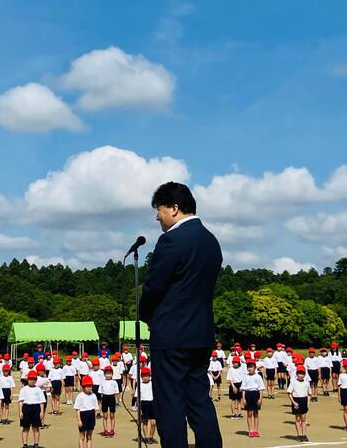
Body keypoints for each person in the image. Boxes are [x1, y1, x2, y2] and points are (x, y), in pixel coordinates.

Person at [139, 181, 224, 448]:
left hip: (172, 335)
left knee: (170, 404)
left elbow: (154, 287)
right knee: (199, 400)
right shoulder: (211, 240)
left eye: (160, 209)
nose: (157, 216)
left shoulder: (172, 240)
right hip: (201, 334)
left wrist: (145, 315)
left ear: (174, 208)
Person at [18, 370, 45, 448]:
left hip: (36, 408)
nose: (32, 381)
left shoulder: (38, 389)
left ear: (36, 380)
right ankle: (25, 444)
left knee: (36, 427)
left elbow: (42, 402)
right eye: (30, 379)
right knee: (25, 427)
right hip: (26, 408)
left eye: (34, 379)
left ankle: (36, 444)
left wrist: (42, 412)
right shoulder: (24, 389)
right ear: (27, 380)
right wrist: (20, 412)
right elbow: (20, 401)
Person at [240, 359, 264, 438]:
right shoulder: (245, 377)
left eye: (251, 367)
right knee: (249, 413)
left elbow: (260, 389)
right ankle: (250, 430)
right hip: (248, 394)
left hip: (256, 394)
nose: (250, 368)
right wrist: (244, 398)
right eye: (248, 367)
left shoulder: (258, 376)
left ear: (255, 367)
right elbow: (243, 389)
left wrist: (260, 398)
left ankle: (256, 430)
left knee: (256, 413)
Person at [287, 365, 311, 442]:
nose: (301, 375)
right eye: (299, 373)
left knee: (303, 419)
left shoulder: (306, 383)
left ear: (304, 374)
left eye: (302, 373)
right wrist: (293, 402)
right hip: (296, 400)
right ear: (297, 374)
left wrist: (307, 402)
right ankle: (299, 434)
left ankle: (304, 434)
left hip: (304, 400)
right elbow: (289, 392)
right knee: (297, 419)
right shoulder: (293, 382)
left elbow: (309, 394)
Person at [75, 375, 98, 448]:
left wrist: (94, 419)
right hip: (83, 415)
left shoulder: (93, 395)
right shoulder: (80, 396)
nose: (89, 388)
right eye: (87, 386)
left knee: (89, 436)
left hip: (91, 415)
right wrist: (79, 420)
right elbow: (77, 409)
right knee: (82, 436)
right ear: (83, 387)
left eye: (90, 386)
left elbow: (95, 408)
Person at [99, 365, 120, 438]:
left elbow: (117, 393)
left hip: (112, 398)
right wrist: (101, 403)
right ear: (104, 374)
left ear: (112, 374)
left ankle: (112, 430)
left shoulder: (114, 382)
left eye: (110, 373)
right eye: (107, 373)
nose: (108, 375)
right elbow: (100, 394)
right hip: (105, 398)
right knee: (105, 416)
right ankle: (105, 430)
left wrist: (117, 401)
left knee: (112, 415)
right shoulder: (102, 382)